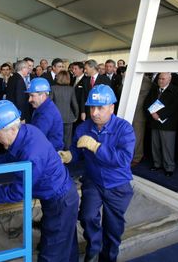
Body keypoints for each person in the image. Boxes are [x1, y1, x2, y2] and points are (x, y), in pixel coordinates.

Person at [0, 100, 79, 262]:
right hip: (58, 196)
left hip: (60, 201)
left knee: (52, 253)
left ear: (12, 129)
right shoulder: (26, 132)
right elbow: (12, 155)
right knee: (66, 245)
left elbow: (18, 191)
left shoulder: (32, 153)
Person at [58, 85, 135, 261]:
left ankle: (108, 257)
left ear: (111, 108)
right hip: (93, 182)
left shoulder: (124, 129)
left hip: (117, 185)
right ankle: (93, 250)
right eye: (92, 107)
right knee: (87, 217)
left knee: (113, 228)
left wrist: (96, 147)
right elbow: (78, 149)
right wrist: (70, 155)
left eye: (100, 108)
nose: (94, 112)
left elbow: (123, 159)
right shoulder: (83, 127)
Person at [144, 72, 178, 176]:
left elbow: (173, 107)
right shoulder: (154, 89)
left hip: (167, 123)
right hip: (154, 122)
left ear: (169, 79)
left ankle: (169, 167)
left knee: (168, 147)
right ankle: (157, 164)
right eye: (159, 78)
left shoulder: (175, 90)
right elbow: (147, 103)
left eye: (163, 79)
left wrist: (159, 115)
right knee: (155, 145)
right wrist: (152, 114)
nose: (160, 80)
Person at [26, 77, 64, 151]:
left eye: (32, 96)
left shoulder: (46, 113)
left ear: (43, 95)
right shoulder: (44, 107)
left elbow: (36, 138)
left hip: (49, 153)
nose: (29, 100)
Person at [50, 70, 79, 150]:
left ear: (58, 78)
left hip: (55, 118)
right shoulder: (71, 89)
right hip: (68, 118)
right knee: (67, 140)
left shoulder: (53, 88)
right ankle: (66, 158)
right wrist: (76, 116)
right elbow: (75, 104)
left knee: (56, 138)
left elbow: (49, 103)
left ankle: (56, 156)